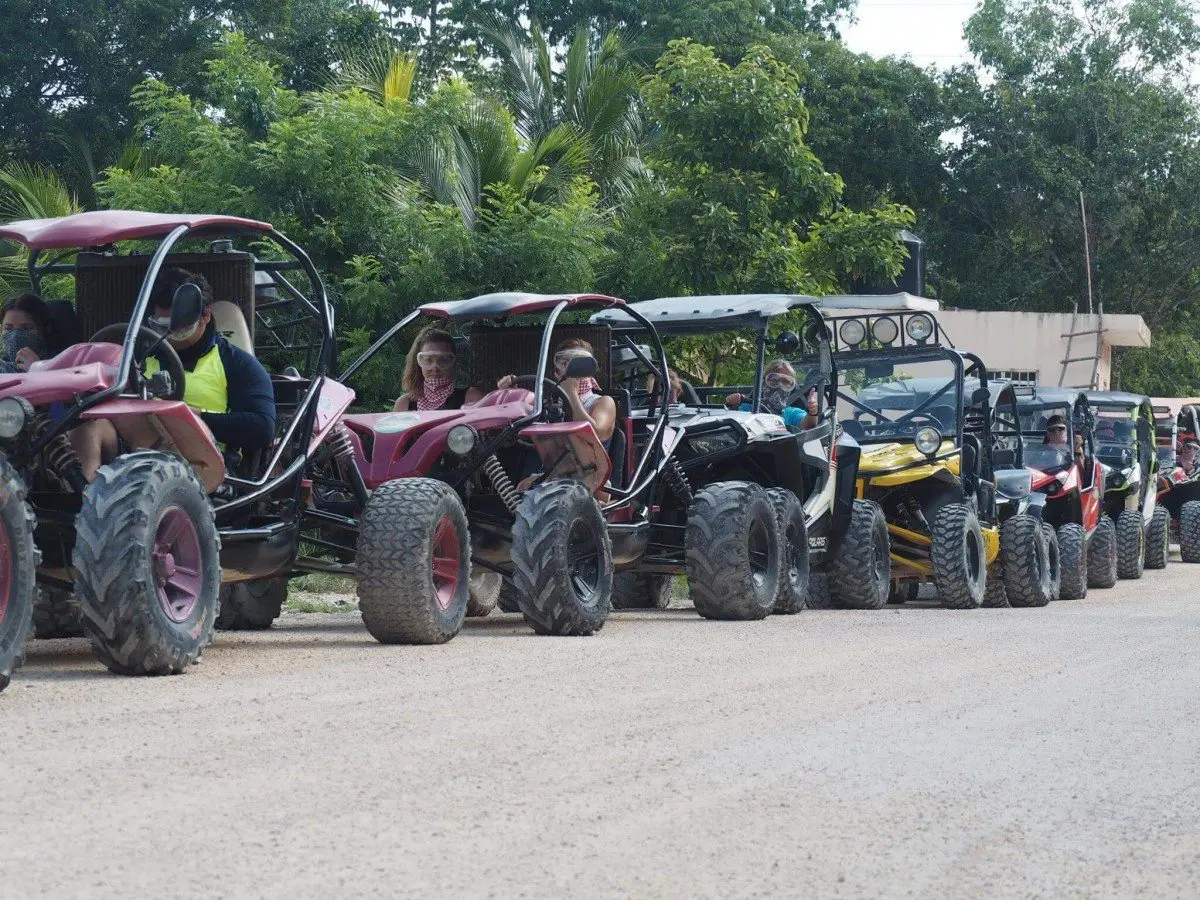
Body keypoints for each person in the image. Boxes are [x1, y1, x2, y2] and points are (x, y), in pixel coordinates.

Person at [70, 268, 276, 482]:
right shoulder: (139, 356)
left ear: (205, 316)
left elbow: (262, 427)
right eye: (161, 326)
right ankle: (83, 500)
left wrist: (191, 415)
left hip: (198, 464)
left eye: (177, 328)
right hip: (131, 453)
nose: (169, 336)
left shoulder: (237, 364)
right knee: (89, 428)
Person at [498, 338, 616, 446]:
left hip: (588, 466)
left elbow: (597, 435)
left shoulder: (602, 402)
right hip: (548, 464)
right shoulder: (547, 402)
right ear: (557, 371)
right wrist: (510, 394)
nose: (571, 369)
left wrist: (571, 394)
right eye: (564, 363)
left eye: (579, 364)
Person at [393, 327, 481, 411]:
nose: (435, 368)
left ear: (454, 362)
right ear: (417, 363)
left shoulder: (471, 397)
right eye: (428, 360)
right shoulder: (403, 404)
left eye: (443, 360)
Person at [723, 359, 819, 430]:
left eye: (786, 382)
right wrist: (733, 404)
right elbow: (734, 424)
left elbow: (808, 425)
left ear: (791, 388)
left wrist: (813, 412)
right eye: (774, 380)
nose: (779, 386)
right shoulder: (749, 408)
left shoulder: (791, 414)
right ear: (764, 382)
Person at [0, 293, 54, 373]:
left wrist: (36, 368)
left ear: (45, 329)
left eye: (27, 328)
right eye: (8, 328)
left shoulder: (61, 364)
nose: (15, 335)